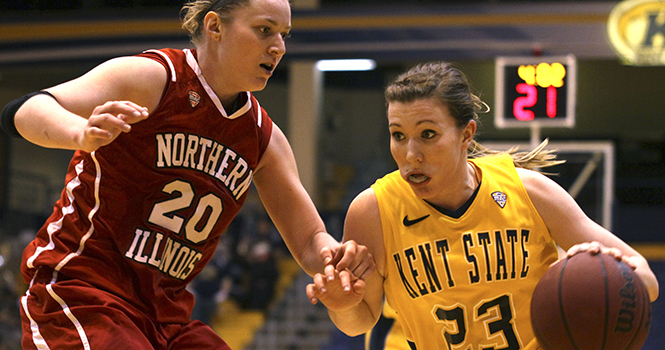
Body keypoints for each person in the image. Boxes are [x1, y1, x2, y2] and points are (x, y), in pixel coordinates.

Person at [1, 0, 373, 349]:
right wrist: (78, 133)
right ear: (215, 26)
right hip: (83, 290)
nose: (278, 47)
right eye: (264, 30)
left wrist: (334, 259)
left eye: (284, 35)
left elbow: (309, 240)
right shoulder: (154, 78)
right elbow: (25, 109)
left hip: (166, 315)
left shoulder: (264, 138)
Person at [306, 61, 659, 350]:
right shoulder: (373, 209)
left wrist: (609, 270)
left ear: (466, 134)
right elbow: (358, 322)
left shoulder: (529, 191)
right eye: (398, 135)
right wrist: (343, 303)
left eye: (428, 134)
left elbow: (646, 281)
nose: (410, 153)